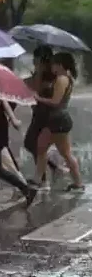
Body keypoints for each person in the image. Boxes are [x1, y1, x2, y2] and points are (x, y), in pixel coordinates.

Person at [32, 52, 84, 192]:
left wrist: (38, 98)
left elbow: (56, 102)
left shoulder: (61, 79)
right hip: (58, 120)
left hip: (58, 120)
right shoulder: (67, 77)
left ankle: (39, 180)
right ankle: (39, 180)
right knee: (44, 147)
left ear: (60, 65)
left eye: (54, 63)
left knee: (53, 150)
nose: (52, 66)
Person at [24, 45, 63, 189]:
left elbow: (42, 92)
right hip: (37, 114)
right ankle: (53, 168)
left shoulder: (53, 76)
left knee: (34, 144)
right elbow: (31, 88)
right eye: (34, 57)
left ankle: (44, 178)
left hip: (47, 116)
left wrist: (37, 76)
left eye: (37, 58)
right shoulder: (38, 73)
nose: (34, 60)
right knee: (31, 144)